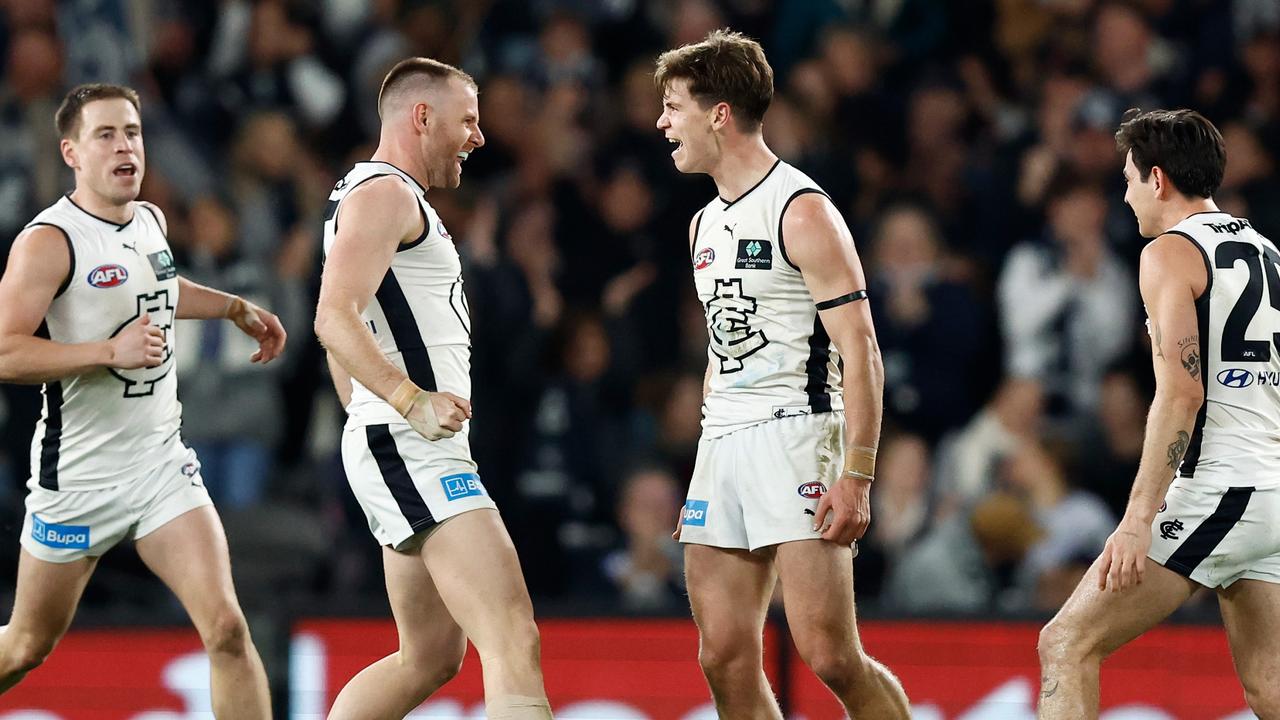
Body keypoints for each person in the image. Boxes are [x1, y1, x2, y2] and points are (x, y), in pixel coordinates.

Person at [0, 83, 283, 716]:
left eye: (132, 131)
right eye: (106, 135)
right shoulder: (49, 241)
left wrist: (233, 307)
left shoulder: (151, 219)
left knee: (228, 630)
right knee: (24, 646)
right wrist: (105, 351)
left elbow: (157, 286)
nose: (125, 145)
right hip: (77, 479)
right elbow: (5, 352)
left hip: (159, 465)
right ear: (72, 153)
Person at [655, 30, 911, 718]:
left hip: (801, 435)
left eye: (674, 105)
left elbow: (862, 350)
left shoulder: (802, 209)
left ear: (719, 114)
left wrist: (857, 474)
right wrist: (709, 457)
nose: (661, 122)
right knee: (723, 655)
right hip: (726, 444)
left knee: (829, 654)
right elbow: (721, 352)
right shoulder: (701, 224)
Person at [313, 58, 553, 720]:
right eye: (468, 120)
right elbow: (331, 317)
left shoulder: (369, 197)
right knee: (512, 638)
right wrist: (406, 403)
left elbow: (343, 328)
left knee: (428, 656)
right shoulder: (384, 194)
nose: (478, 137)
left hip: (397, 443)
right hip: (412, 446)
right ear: (422, 117)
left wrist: (370, 415)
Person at [1038, 109, 1280, 719]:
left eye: (1126, 181)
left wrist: (1138, 516)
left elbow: (1181, 393)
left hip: (1220, 488)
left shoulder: (1170, 253)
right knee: (1272, 691)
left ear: (1158, 179)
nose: (1125, 198)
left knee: (1066, 644)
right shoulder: (1266, 251)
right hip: (1272, 492)